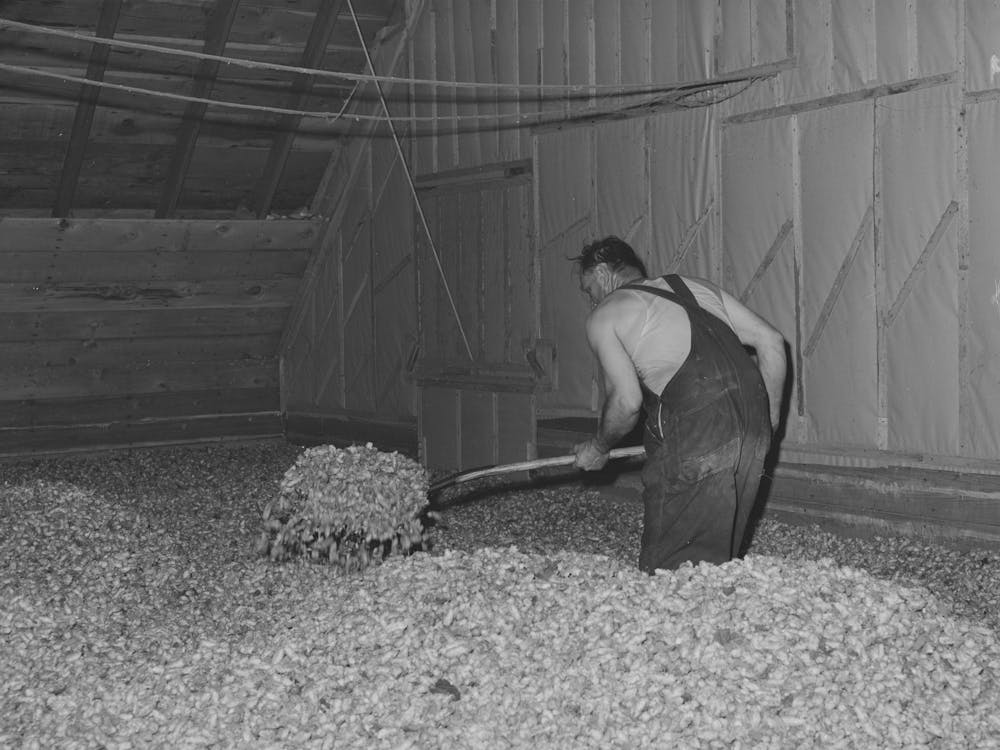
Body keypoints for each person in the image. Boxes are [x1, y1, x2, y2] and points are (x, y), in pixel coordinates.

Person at [571, 236, 787, 573]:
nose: (592, 299)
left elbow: (627, 402)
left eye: (589, 290)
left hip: (698, 427)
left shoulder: (607, 314)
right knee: (715, 567)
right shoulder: (694, 286)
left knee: (672, 576)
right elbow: (771, 342)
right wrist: (768, 423)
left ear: (601, 272)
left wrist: (599, 447)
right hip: (753, 421)